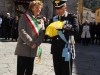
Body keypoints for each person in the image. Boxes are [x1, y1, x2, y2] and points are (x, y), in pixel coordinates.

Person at [48, 0, 79, 75]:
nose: (58, 10)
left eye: (60, 8)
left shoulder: (72, 17)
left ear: (65, 7)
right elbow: (49, 35)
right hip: (55, 50)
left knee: (66, 72)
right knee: (57, 72)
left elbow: (76, 31)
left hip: (66, 50)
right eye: (57, 8)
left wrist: (63, 27)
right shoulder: (53, 19)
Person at [15, 0, 44, 75]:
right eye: (36, 7)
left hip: (34, 49)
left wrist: (36, 43)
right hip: (24, 48)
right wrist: (31, 42)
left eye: (40, 8)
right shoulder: (24, 16)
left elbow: (42, 34)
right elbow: (21, 31)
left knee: (29, 72)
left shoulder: (41, 20)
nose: (39, 9)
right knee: (21, 72)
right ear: (32, 8)